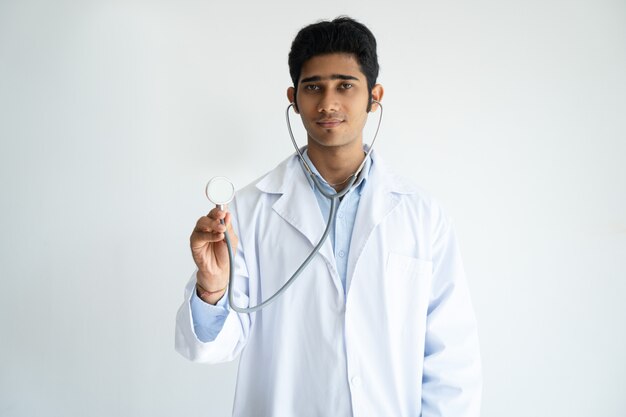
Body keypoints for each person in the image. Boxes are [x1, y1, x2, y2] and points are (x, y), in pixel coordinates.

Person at [176, 16, 481, 417]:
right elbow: (211, 348)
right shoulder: (249, 211)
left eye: (345, 85)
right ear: (293, 96)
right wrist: (212, 288)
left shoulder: (421, 215)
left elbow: (451, 359)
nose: (328, 103)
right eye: (313, 86)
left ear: (375, 96)